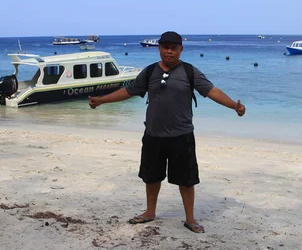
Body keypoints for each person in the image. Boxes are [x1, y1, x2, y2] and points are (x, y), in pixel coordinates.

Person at [88, 31, 245, 233]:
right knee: (151, 177)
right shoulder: (149, 71)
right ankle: (149, 213)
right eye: (165, 47)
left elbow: (212, 91)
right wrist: (102, 100)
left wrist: (234, 106)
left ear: (181, 49)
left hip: (182, 136)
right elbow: (129, 91)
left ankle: (190, 219)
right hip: (153, 135)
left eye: (173, 47)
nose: (168, 51)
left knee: (186, 180)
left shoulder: (190, 71)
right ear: (159, 48)